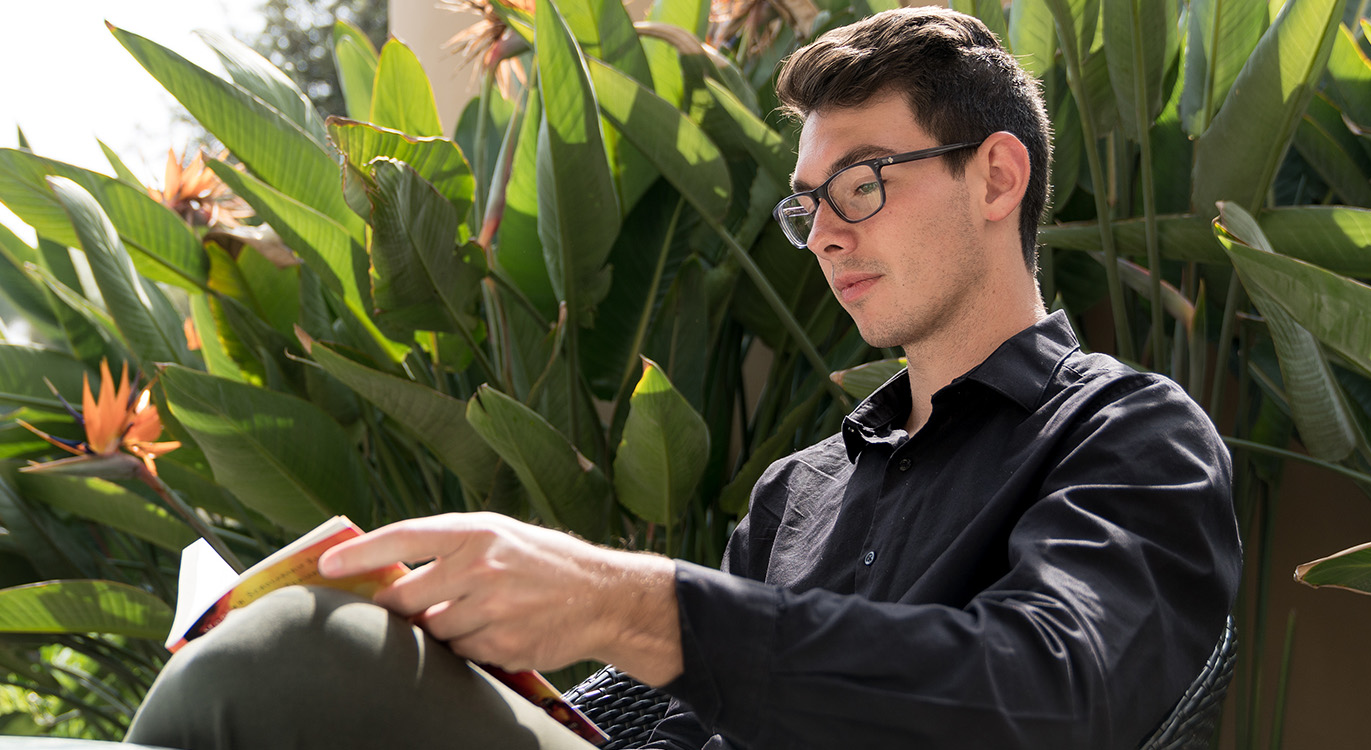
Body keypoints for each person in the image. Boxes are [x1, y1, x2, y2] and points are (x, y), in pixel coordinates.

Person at [123, 7, 1240, 750]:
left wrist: (627, 600)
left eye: (861, 183)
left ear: (997, 176)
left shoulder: (1129, 436)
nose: (829, 237)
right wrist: (489, 645)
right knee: (288, 648)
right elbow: (652, 718)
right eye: (808, 207)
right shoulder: (800, 490)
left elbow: (1056, 694)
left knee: (291, 652)